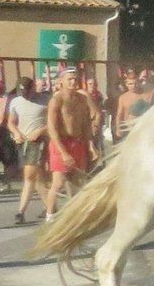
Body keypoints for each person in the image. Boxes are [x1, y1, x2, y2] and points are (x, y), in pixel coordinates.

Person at [44, 69, 101, 219]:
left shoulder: (82, 99)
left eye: (75, 79)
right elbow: (52, 127)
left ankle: (74, 213)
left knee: (78, 180)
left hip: (78, 142)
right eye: (69, 79)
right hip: (61, 142)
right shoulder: (57, 100)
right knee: (58, 182)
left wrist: (91, 145)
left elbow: (85, 125)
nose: (73, 82)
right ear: (61, 81)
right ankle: (50, 216)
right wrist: (63, 152)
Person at [8, 77, 49, 224]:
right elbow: (11, 123)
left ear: (33, 88)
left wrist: (40, 131)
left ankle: (21, 211)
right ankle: (52, 207)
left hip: (38, 142)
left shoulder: (45, 100)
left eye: (26, 90)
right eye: (21, 91)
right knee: (38, 178)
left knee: (29, 176)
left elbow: (53, 122)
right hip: (23, 142)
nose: (24, 94)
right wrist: (16, 132)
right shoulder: (16, 102)